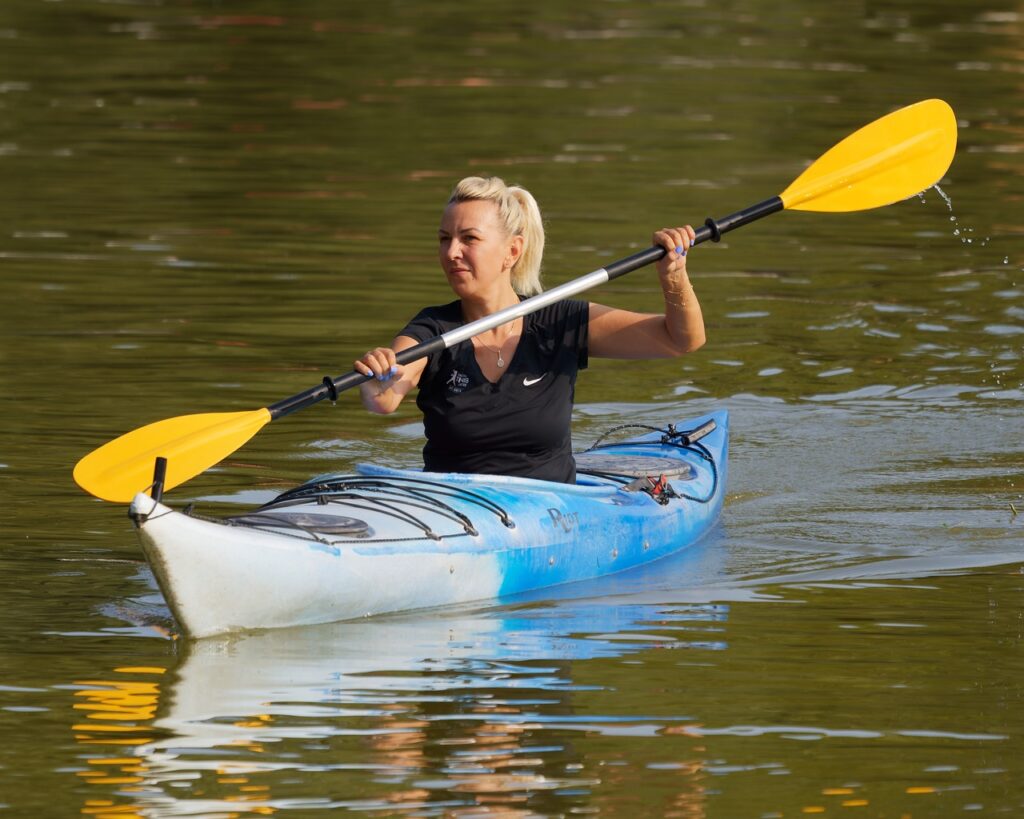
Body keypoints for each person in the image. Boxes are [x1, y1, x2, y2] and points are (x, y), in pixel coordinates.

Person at [354, 175, 704, 484]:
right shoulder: (432, 330)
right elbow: (384, 399)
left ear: (512, 251)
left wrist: (672, 275)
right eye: (444, 239)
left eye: (469, 238)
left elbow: (680, 340)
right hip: (456, 506)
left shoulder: (559, 322)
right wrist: (378, 376)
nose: (451, 252)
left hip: (551, 509)